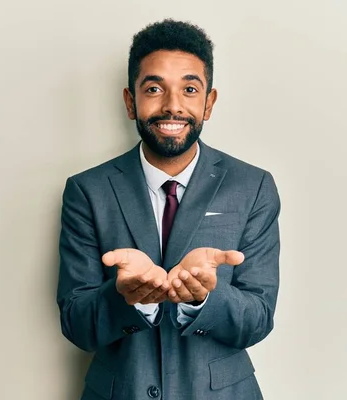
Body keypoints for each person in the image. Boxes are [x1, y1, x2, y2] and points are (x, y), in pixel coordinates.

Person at [57, 19, 281, 400]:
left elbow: (257, 318)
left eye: (190, 89)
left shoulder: (252, 186)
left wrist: (204, 297)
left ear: (208, 103)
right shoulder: (87, 191)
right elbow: (77, 324)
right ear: (131, 102)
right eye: (154, 88)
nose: (172, 106)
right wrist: (125, 297)